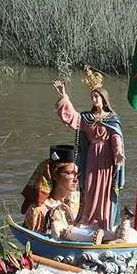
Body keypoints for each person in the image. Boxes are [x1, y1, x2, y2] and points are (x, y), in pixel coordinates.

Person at [53, 67, 125, 229]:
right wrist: (64, 96)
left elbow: (116, 136)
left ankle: (104, 220)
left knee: (105, 188)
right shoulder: (88, 118)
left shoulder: (112, 118)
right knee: (90, 184)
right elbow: (73, 118)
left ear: (104, 99)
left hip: (107, 157)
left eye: (96, 96)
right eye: (92, 97)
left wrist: (118, 153)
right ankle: (89, 218)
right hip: (92, 156)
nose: (94, 99)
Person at [22, 146, 82, 239]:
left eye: (77, 174)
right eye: (70, 173)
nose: (76, 179)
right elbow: (33, 243)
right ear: (54, 174)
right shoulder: (39, 211)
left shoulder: (80, 199)